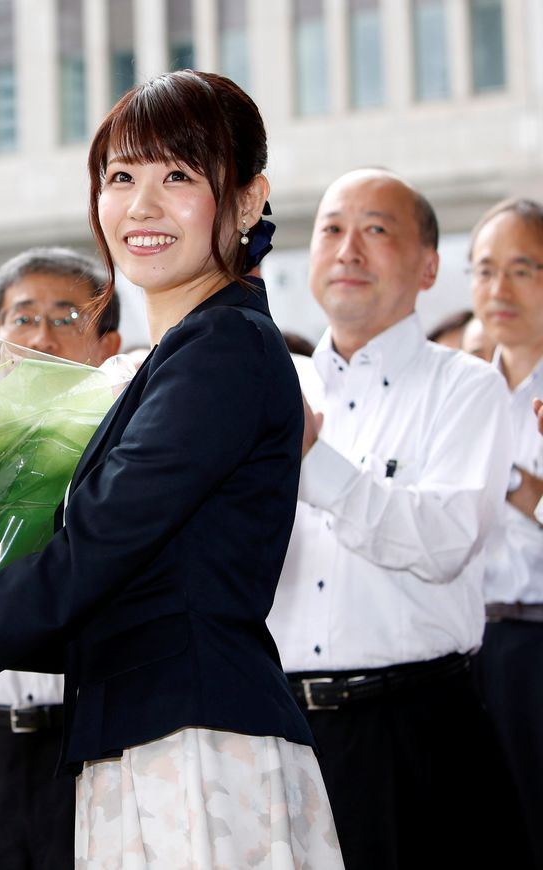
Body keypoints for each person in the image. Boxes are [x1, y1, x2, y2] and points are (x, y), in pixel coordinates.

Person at [0, 70, 342, 868]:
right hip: (150, 739)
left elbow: (88, 560)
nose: (142, 206)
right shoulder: (188, 353)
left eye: (179, 177)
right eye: (121, 177)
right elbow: (108, 599)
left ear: (250, 198)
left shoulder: (220, 348)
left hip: (194, 756)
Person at [268, 169, 526, 869]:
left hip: (413, 728)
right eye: (331, 229)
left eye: (376, 230)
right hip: (277, 732)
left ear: (429, 266)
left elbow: (441, 541)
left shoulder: (465, 386)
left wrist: (313, 460)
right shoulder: (270, 382)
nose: (348, 249)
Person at [0, 246, 119, 870]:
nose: (43, 334)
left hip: (92, 739)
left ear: (108, 341)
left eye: (68, 316)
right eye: (22, 317)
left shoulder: (132, 450)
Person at [467, 197, 543, 866]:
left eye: (523, 269)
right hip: (465, 648)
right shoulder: (460, 392)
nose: (499, 289)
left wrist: (523, 489)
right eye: (485, 270)